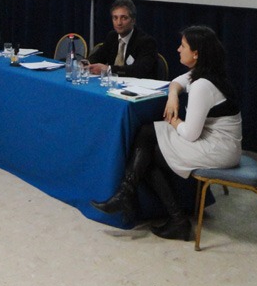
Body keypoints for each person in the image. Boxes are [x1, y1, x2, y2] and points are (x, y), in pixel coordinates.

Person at [91, 25, 242, 241]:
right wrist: (172, 97)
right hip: (217, 142)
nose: (178, 49)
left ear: (196, 54)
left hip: (218, 150)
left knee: (148, 154)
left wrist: (173, 120)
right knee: (146, 133)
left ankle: (171, 216)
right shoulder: (205, 72)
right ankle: (129, 195)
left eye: (183, 46)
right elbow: (177, 82)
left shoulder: (202, 85)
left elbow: (190, 134)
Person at [87, 0, 158, 79]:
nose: (119, 23)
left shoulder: (146, 42)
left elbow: (139, 70)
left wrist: (109, 69)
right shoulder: (112, 36)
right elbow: (98, 56)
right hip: (113, 84)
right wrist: (86, 63)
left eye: (124, 18)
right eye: (115, 18)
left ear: (133, 20)